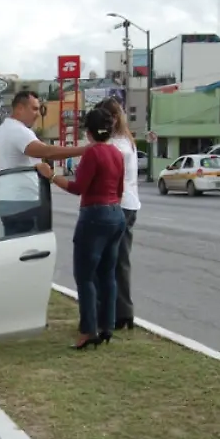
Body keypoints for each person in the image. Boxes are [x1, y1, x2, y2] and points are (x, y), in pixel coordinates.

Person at [38, 108, 125, 349]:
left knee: (85, 276)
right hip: (116, 214)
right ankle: (107, 325)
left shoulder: (93, 153)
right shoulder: (116, 153)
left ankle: (88, 330)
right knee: (107, 274)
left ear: (88, 132)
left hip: (94, 215)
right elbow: (119, 190)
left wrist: (51, 175)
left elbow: (78, 188)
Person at [0, 90, 90, 236]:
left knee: (17, 249)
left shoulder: (5, 129)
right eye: (34, 108)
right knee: (28, 252)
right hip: (22, 204)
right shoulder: (17, 131)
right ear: (19, 108)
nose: (38, 113)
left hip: (11, 201)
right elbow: (47, 152)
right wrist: (85, 150)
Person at [96, 97, 141, 331]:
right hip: (129, 204)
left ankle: (118, 313)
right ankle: (122, 312)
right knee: (119, 261)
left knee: (111, 262)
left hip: (118, 205)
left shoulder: (114, 145)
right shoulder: (127, 141)